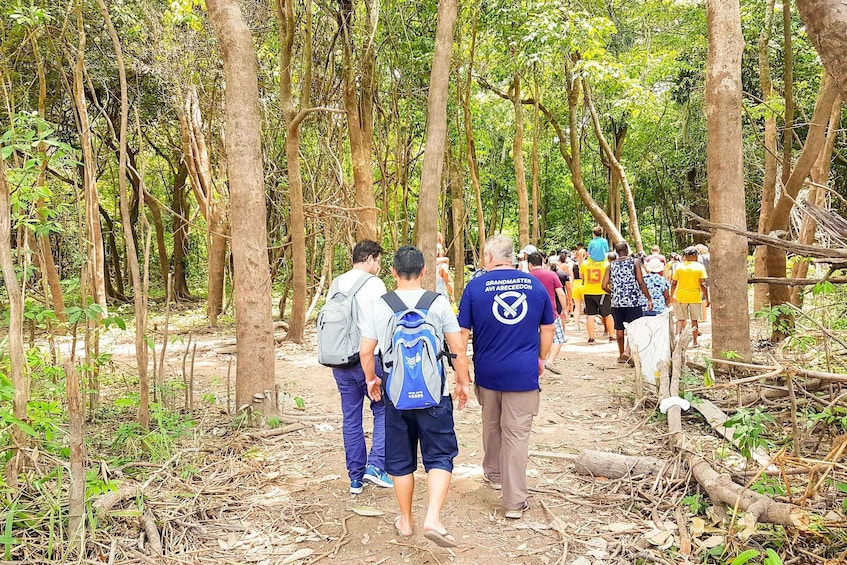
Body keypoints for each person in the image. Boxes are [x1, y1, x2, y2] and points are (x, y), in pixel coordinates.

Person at [360, 245, 471, 547]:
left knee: (400, 460)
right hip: (434, 396)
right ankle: (432, 517)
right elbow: (457, 348)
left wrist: (372, 380)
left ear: (393, 272)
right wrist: (462, 382)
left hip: (396, 395)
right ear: (424, 272)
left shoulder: (381, 305)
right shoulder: (438, 303)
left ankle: (406, 520)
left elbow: (367, 350)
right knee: (439, 455)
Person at [458, 235, 554, 520]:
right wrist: (540, 358)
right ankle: (514, 502)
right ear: (512, 257)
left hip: (487, 372)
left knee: (491, 423)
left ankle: (494, 473)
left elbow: (461, 335)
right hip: (523, 373)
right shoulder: (534, 285)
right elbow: (548, 327)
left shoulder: (475, 287)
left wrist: (461, 373)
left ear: (488, 257)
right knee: (516, 433)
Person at [329, 240, 394, 495]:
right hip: (370, 358)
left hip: (341, 360)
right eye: (377, 261)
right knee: (383, 409)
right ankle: (376, 466)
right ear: (369, 259)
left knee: (351, 418)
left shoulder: (337, 283)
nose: (378, 266)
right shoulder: (374, 284)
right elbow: (384, 323)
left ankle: (355, 478)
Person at [602, 242, 652, 364]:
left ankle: (621, 354)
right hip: (633, 301)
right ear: (627, 250)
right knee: (634, 328)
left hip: (617, 302)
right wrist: (649, 298)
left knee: (619, 329)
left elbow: (603, 286)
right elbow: (641, 282)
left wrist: (613, 292)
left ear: (616, 251)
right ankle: (628, 352)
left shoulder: (610, 266)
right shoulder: (634, 262)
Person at [527, 252, 568, 374]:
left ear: (529, 264)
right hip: (551, 312)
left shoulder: (526, 276)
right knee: (558, 338)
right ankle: (548, 361)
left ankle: (535, 362)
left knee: (533, 338)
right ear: (542, 262)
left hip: (530, 314)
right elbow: (560, 293)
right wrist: (564, 309)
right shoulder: (551, 275)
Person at [670, 247, 709, 347]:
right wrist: (707, 298)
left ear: (685, 256)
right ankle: (695, 342)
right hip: (694, 297)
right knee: (694, 320)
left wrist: (671, 295)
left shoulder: (679, 267)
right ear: (695, 255)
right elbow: (703, 284)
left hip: (681, 296)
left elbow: (674, 283)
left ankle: (678, 336)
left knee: (680, 319)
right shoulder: (699, 267)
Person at [580, 253, 614, 344]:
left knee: (590, 315)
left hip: (588, 291)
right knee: (608, 314)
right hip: (603, 292)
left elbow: (581, 277)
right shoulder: (606, 264)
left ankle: (591, 338)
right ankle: (611, 336)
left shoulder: (584, 264)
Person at [696, 244, 711, 321]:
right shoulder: (709, 257)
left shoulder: (698, 258)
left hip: (700, 279)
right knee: (705, 297)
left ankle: (701, 317)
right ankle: (705, 317)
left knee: (701, 298)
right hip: (709, 279)